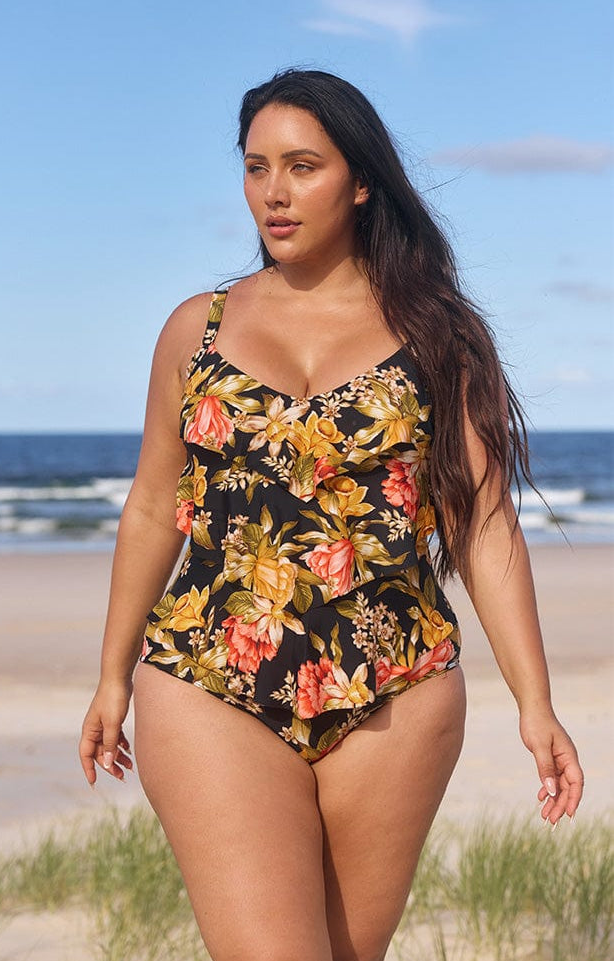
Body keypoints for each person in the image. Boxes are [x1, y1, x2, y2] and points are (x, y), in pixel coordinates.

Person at [79, 69, 584, 961]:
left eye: (302, 166)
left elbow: (484, 523)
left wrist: (535, 702)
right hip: (210, 673)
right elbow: (156, 502)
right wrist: (113, 673)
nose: (272, 191)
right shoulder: (195, 328)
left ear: (359, 181)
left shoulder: (440, 335)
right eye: (255, 167)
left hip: (400, 685)